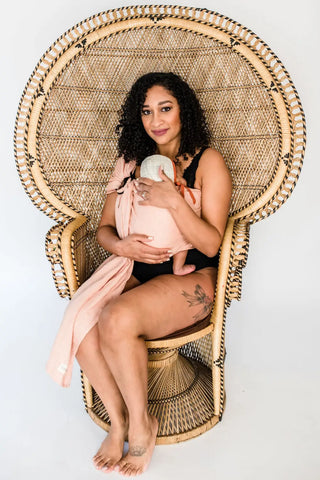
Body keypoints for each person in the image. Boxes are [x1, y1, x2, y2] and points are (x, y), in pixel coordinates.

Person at [50, 71, 232, 477]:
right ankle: (119, 422)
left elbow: (211, 245)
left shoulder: (207, 161)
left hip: (189, 274)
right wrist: (121, 246)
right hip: (133, 264)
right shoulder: (132, 160)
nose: (156, 120)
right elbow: (103, 228)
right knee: (82, 316)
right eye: (146, 111)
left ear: (184, 109)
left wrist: (174, 201)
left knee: (115, 316)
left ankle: (142, 426)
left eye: (165, 108)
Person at [133, 153, 197, 276]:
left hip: (148, 233)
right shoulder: (172, 178)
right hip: (170, 225)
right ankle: (178, 267)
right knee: (182, 241)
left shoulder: (142, 177)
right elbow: (181, 182)